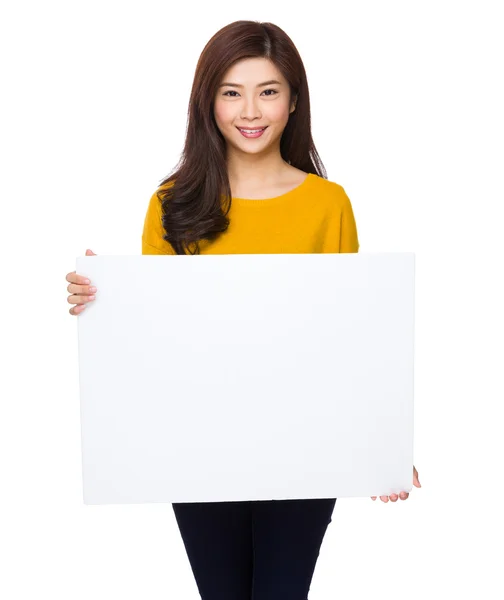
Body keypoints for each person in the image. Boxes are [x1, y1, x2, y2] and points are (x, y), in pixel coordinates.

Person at [65, 20, 421, 600]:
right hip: (200, 444)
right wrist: (105, 301)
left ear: (294, 100)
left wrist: (381, 444)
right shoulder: (171, 204)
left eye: (268, 90)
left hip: (307, 443)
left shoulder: (328, 204)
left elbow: (351, 334)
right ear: (208, 101)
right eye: (231, 91)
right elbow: (158, 340)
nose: (249, 110)